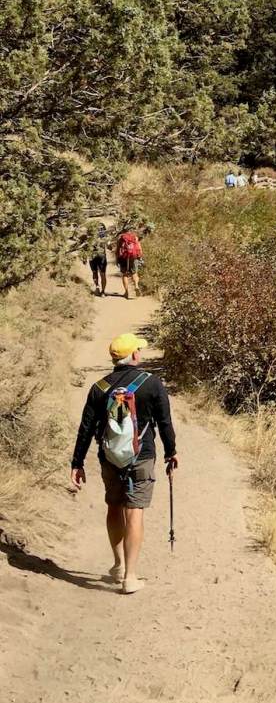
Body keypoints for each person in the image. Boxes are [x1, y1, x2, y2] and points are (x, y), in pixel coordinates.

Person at [70, 332, 178, 595]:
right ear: (135, 355)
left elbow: (86, 428)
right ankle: (130, 577)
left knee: (114, 506)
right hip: (141, 456)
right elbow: (164, 422)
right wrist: (171, 452)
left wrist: (77, 462)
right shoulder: (152, 384)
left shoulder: (100, 387)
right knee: (135, 511)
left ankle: (118, 564)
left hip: (109, 458)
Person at [115, 226, 143, 298]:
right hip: (133, 257)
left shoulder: (121, 238)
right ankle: (136, 286)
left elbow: (117, 249)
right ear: (131, 230)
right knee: (134, 273)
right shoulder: (135, 237)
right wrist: (140, 256)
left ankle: (126, 292)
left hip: (123, 257)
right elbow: (139, 248)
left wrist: (117, 259)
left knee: (125, 275)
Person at [87, 223, 109, 296]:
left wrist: (84, 257)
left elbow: (86, 246)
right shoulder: (104, 236)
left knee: (94, 272)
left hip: (92, 255)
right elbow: (109, 246)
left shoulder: (89, 236)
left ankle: (97, 286)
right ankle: (103, 292)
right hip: (102, 255)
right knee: (103, 274)